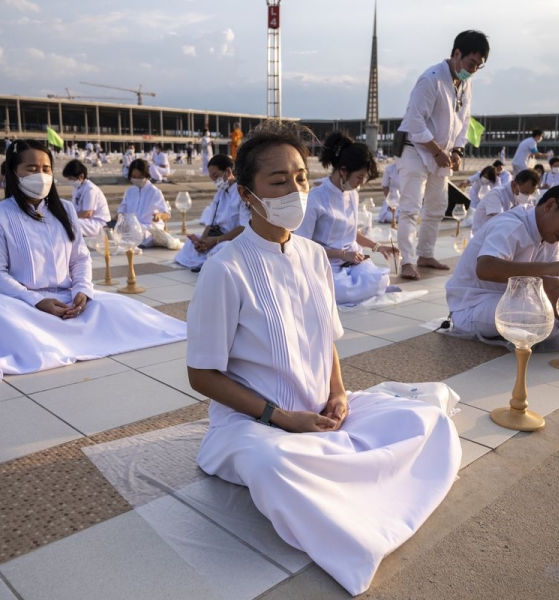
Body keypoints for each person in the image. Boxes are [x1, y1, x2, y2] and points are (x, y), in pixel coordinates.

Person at [185, 120, 460, 596]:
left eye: (300, 178)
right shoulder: (224, 268)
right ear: (247, 193)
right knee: (275, 466)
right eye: (278, 181)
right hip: (255, 426)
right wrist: (281, 417)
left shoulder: (313, 256)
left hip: (319, 411)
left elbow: (325, 339)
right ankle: (353, 504)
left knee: (425, 419)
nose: (294, 189)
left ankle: (350, 473)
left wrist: (336, 395)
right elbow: (201, 374)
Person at [0, 140, 187, 385]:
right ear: (13, 172)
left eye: (46, 169)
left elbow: (80, 257)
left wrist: (82, 291)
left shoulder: (65, 209)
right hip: (21, 304)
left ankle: (69, 329)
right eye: (31, 168)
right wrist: (36, 301)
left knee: (117, 307)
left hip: (68, 297)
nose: (41, 175)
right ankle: (53, 337)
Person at [446, 184, 559, 351]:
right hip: (472, 306)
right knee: (539, 319)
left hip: (509, 302)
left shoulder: (551, 235)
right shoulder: (511, 225)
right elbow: (485, 268)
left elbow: (552, 287)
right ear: (550, 205)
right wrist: (548, 268)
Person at [395, 30, 490, 280]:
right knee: (410, 208)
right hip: (416, 150)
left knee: (436, 206)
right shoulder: (432, 79)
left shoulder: (465, 82)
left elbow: (464, 119)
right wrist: (437, 151)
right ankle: (406, 261)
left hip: (442, 153)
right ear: (457, 53)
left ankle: (425, 254)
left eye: (478, 66)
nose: (473, 70)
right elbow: (415, 122)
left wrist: (457, 150)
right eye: (471, 63)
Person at [297, 131, 398, 306]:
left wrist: (378, 247)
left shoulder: (352, 194)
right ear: (343, 171)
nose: (361, 182)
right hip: (327, 265)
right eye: (359, 177)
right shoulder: (315, 198)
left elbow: (351, 233)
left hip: (352, 262)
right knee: (340, 289)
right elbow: (303, 246)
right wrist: (343, 254)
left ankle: (361, 288)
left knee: (380, 278)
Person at [174, 154, 248, 271]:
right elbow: (210, 223)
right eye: (212, 178)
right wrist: (201, 241)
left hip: (233, 239)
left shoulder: (242, 193)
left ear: (228, 172)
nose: (214, 181)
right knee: (189, 244)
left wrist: (216, 241)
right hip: (216, 237)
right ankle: (205, 262)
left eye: (216, 176)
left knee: (222, 249)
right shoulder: (219, 194)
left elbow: (244, 227)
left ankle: (208, 265)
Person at [117, 158, 174, 248]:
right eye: (133, 177)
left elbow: (167, 214)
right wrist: (117, 219)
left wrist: (159, 215)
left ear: (145, 175)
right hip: (132, 228)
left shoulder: (154, 192)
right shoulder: (129, 191)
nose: (136, 179)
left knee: (139, 235)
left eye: (139, 177)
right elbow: (121, 211)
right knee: (113, 232)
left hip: (148, 229)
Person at [471, 168, 540, 233]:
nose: (527, 197)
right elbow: (499, 221)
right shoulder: (496, 194)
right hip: (484, 237)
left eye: (529, 194)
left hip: (500, 235)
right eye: (525, 193)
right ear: (514, 184)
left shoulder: (520, 197)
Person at [62, 159, 110, 240]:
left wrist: (69, 217)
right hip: (86, 221)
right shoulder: (77, 188)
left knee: (70, 224)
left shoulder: (90, 189)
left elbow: (87, 213)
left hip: (97, 224)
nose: (70, 181)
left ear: (81, 176)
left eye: (71, 178)